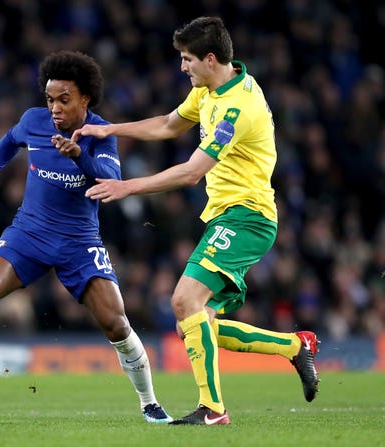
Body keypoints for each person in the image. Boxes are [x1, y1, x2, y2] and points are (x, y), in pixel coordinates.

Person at [74, 16, 320, 425]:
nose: (182, 67)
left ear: (210, 58)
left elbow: (191, 172)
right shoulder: (210, 89)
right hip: (228, 215)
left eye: (187, 59)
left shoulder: (238, 107)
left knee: (184, 300)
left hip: (248, 217)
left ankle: (213, 410)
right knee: (198, 322)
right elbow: (170, 125)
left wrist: (126, 187)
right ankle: (294, 346)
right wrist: (109, 130)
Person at [0, 50, 172, 423]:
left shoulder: (101, 134)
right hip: (30, 231)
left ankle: (149, 402)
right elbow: (9, 142)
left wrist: (79, 156)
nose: (54, 107)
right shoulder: (33, 121)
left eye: (64, 99)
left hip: (79, 242)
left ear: (85, 98)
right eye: (50, 99)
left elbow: (111, 180)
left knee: (117, 324)